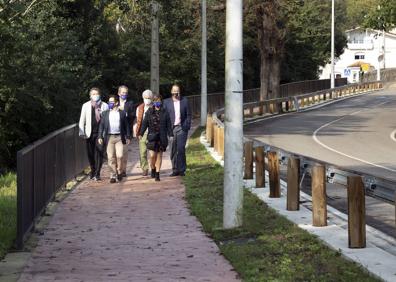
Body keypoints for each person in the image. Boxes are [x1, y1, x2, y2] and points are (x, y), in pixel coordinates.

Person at [98, 95, 131, 183]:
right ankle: (112, 175)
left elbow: (126, 125)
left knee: (120, 155)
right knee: (110, 157)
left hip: (119, 137)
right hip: (109, 137)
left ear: (116, 103)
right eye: (109, 102)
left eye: (112, 102)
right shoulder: (105, 113)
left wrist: (128, 136)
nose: (110, 104)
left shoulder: (122, 113)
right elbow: (101, 125)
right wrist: (100, 136)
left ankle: (119, 171)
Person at [139, 95, 172, 181]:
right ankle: (153, 167)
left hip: (162, 137)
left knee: (159, 155)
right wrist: (141, 133)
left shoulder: (165, 112)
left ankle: (157, 173)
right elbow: (144, 123)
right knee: (152, 155)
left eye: (159, 101)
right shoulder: (149, 112)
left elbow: (168, 124)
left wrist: (170, 134)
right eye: (155, 101)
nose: (157, 102)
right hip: (152, 137)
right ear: (153, 102)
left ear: (161, 102)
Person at [78, 87, 109, 181]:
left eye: (97, 94)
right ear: (90, 95)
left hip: (100, 133)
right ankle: (93, 169)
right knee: (90, 154)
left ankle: (97, 173)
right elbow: (82, 120)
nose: (95, 96)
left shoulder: (104, 106)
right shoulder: (86, 105)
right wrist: (82, 132)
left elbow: (107, 121)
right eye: (93, 94)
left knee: (99, 153)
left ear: (100, 94)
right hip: (89, 133)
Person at [163, 84, 192, 177]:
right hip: (171, 129)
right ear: (171, 91)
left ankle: (182, 169)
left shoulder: (185, 101)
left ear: (180, 91)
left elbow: (188, 114)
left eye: (177, 91)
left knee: (181, 148)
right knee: (173, 150)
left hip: (182, 128)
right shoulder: (166, 102)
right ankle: (175, 169)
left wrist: (187, 125)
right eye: (174, 91)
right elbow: (164, 116)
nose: (176, 93)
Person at [134, 90, 154, 176]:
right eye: (146, 98)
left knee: (153, 153)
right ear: (143, 98)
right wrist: (138, 133)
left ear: (152, 98)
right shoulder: (139, 108)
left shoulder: (155, 107)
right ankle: (144, 168)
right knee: (142, 153)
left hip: (152, 133)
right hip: (142, 133)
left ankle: (154, 168)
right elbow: (138, 121)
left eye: (149, 98)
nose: (147, 100)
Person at [117, 85, 135, 178]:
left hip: (126, 131)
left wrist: (125, 113)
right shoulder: (115, 103)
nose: (124, 94)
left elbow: (133, 116)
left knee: (124, 152)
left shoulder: (130, 103)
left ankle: (123, 170)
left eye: (126, 93)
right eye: (123, 92)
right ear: (119, 93)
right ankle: (118, 170)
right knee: (117, 154)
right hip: (116, 131)